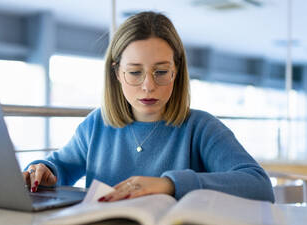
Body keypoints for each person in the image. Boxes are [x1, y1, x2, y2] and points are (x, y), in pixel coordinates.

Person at [23, 11, 275, 203]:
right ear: (117, 73)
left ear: (176, 72)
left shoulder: (201, 128)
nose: (148, 86)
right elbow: (59, 167)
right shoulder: (96, 124)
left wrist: (169, 184)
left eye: (162, 71)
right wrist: (45, 171)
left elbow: (259, 186)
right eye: (134, 72)